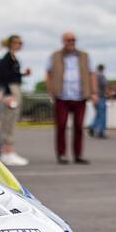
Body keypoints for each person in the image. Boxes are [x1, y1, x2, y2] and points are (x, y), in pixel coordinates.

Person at [46, 32, 95, 164]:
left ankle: (78, 154)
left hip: (80, 96)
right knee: (61, 126)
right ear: (63, 41)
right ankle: (61, 154)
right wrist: (51, 91)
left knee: (79, 127)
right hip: (62, 96)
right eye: (68, 40)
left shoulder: (84, 56)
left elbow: (91, 74)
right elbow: (49, 74)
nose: (71, 42)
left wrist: (94, 92)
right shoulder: (55, 56)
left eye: (73, 40)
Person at [0, 34, 30, 166]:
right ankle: (7, 153)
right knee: (7, 121)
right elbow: (3, 76)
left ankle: (9, 152)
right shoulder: (7, 58)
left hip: (14, 88)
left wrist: (22, 74)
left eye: (21, 43)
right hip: (10, 90)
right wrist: (8, 95)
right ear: (11, 44)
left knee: (12, 120)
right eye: (17, 42)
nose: (20, 45)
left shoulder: (13, 58)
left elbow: (11, 74)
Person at [88, 64, 109, 138]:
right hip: (101, 97)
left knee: (98, 115)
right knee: (102, 116)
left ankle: (92, 126)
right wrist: (108, 94)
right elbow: (105, 86)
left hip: (94, 97)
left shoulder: (94, 76)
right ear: (103, 69)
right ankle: (101, 132)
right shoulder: (102, 76)